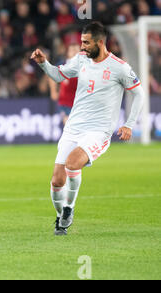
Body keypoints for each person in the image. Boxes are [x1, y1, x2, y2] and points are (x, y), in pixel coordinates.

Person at [31, 21, 144, 235]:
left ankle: (69, 208)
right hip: (73, 127)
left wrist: (129, 124)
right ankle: (60, 217)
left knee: (73, 163)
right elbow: (57, 75)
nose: (82, 47)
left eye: (86, 43)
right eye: (81, 42)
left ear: (100, 43)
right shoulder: (81, 60)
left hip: (98, 132)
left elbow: (139, 94)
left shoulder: (119, 67)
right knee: (56, 181)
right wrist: (44, 63)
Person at [48, 43, 80, 126]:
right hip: (65, 101)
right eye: (72, 50)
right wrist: (53, 91)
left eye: (76, 50)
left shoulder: (85, 65)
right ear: (68, 53)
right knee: (69, 126)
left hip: (80, 102)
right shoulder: (63, 64)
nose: (74, 53)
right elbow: (51, 75)